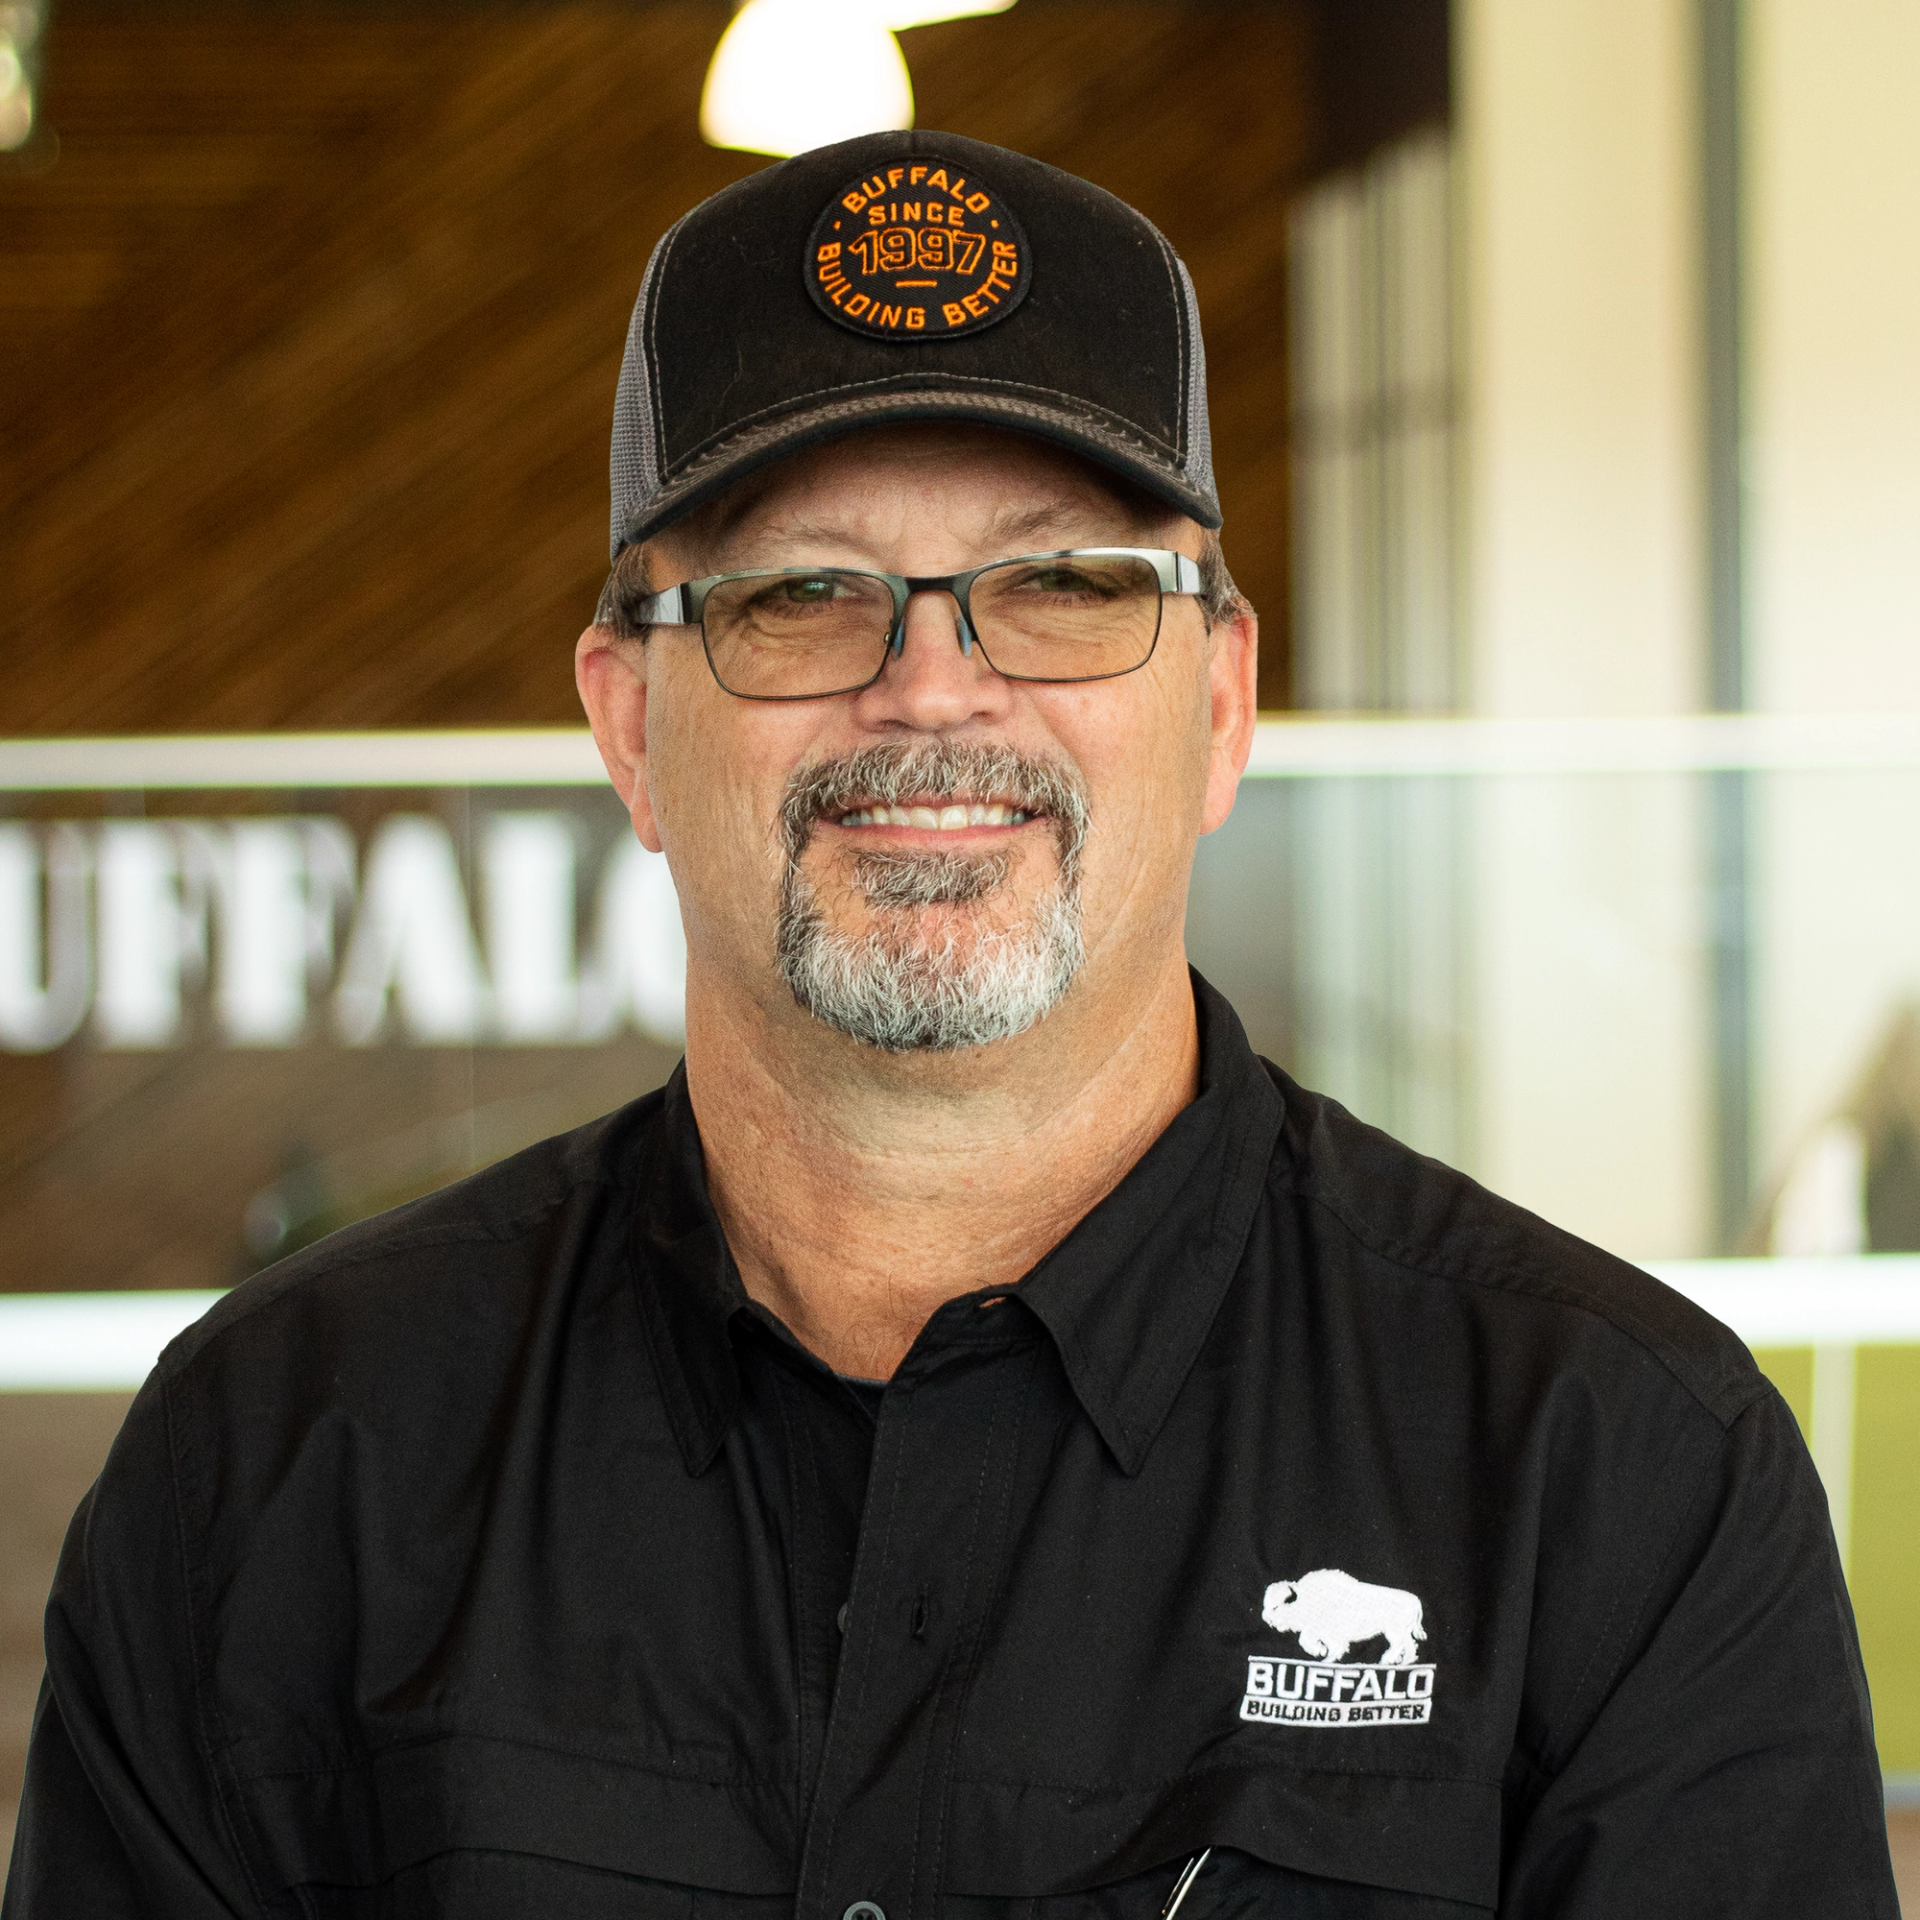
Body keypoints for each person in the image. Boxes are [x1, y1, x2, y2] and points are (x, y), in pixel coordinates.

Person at [4, 131, 1898, 1918]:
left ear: (1223, 706)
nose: (931, 687)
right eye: (800, 591)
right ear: (626, 725)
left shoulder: (1619, 1479)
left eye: (1063, 584)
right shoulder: (269, 1468)